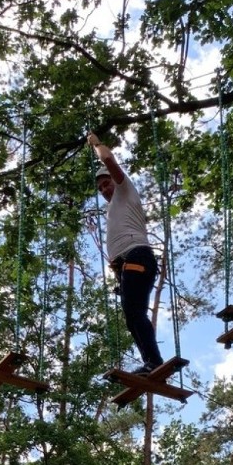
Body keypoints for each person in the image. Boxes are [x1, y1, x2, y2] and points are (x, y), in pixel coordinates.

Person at [88, 131, 165, 375]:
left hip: (138, 257)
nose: (104, 189)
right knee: (132, 317)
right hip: (129, 265)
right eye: (100, 188)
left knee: (134, 314)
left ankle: (154, 361)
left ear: (116, 179)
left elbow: (109, 161)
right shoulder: (113, 209)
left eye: (106, 183)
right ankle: (152, 363)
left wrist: (96, 144)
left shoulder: (125, 190)